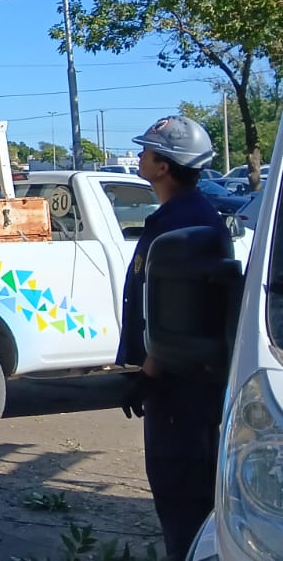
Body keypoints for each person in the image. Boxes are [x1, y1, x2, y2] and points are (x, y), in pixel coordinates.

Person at [118, 114, 227, 560]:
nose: (140, 157)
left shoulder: (183, 228)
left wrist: (150, 371)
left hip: (178, 386)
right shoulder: (182, 217)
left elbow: (177, 315)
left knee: (181, 494)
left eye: (146, 151)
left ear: (164, 166)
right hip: (178, 380)